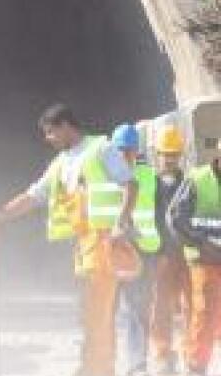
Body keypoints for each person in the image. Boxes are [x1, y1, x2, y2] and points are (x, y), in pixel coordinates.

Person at [0, 104, 137, 376]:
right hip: (83, 246)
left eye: (50, 132)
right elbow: (33, 196)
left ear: (66, 126)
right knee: (90, 316)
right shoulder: (61, 163)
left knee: (97, 315)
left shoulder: (101, 149)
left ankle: (97, 370)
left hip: (104, 243)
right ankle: (95, 368)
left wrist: (121, 221)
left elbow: (130, 183)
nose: (48, 139)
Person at [168, 137, 221, 376]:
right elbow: (176, 218)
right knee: (205, 313)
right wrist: (200, 242)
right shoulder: (198, 180)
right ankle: (196, 367)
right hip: (205, 259)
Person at [113, 123, 159, 376]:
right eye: (119, 150)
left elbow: (162, 213)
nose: (123, 155)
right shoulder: (105, 175)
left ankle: (136, 363)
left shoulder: (149, 176)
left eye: (127, 150)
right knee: (111, 308)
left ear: (135, 151)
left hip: (143, 250)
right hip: (115, 249)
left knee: (136, 307)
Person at [149, 125, 190, 375]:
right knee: (161, 306)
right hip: (162, 254)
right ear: (158, 154)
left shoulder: (189, 183)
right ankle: (163, 355)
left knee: (191, 306)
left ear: (181, 155)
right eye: (167, 154)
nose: (170, 159)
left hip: (187, 255)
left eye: (174, 154)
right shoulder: (148, 186)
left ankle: (189, 353)